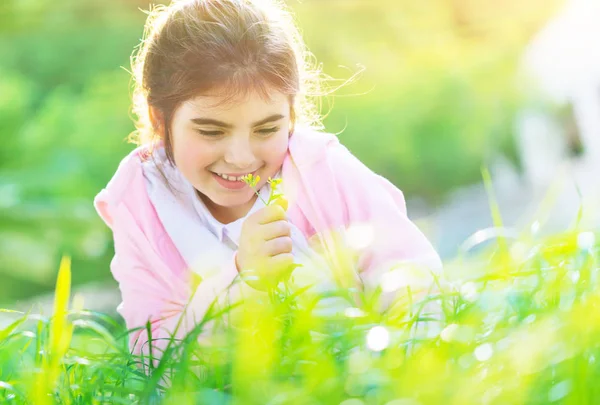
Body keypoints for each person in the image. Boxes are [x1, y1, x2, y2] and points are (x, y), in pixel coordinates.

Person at [94, 0, 442, 358]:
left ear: (291, 114)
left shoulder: (320, 170)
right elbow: (150, 357)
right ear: (159, 119)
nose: (241, 157)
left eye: (267, 128)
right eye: (212, 131)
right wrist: (242, 283)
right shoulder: (142, 200)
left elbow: (416, 286)